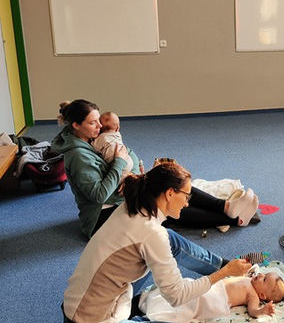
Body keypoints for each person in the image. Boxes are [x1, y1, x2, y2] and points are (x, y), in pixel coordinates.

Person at [62, 160, 253, 323]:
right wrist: (223, 275)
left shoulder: (133, 205)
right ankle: (139, 321)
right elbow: (177, 296)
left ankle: (224, 265)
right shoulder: (151, 233)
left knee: (169, 238)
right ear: (170, 193)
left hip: (78, 306)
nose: (187, 203)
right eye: (187, 196)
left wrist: (225, 270)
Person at [51, 99, 259, 238]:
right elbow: (98, 195)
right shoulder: (78, 155)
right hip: (101, 218)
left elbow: (124, 154)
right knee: (163, 200)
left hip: (118, 194)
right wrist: (120, 165)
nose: (99, 127)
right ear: (76, 125)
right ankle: (232, 218)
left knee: (168, 178)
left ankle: (225, 207)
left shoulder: (90, 138)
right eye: (93, 123)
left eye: (99, 122)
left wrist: (131, 174)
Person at [141, 269, 284, 323]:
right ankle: (161, 299)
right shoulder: (249, 279)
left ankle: (159, 312)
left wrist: (262, 311)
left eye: (264, 279)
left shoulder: (253, 296)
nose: (261, 274)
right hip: (214, 287)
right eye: (264, 274)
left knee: (194, 300)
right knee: (189, 284)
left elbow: (253, 311)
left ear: (262, 294)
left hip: (217, 298)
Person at [92, 110, 134, 180]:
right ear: (118, 128)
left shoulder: (101, 138)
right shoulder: (118, 134)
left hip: (117, 163)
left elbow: (93, 147)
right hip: (128, 160)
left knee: (119, 179)